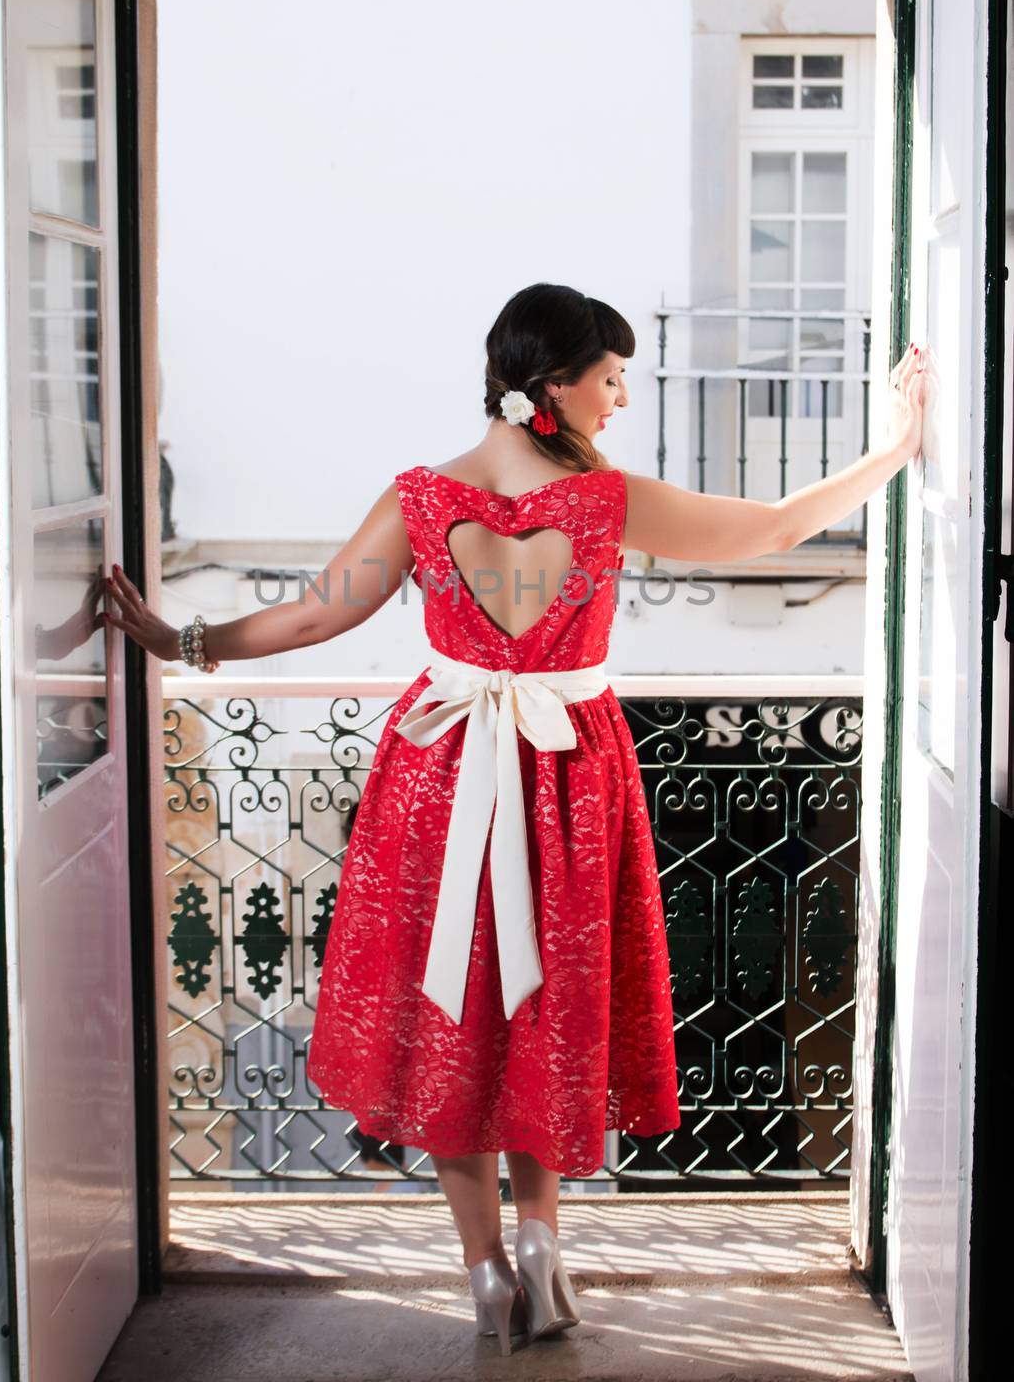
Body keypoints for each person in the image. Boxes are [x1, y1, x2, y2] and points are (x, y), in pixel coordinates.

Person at [101, 283, 927, 1356]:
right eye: (610, 376)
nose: (620, 397)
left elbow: (314, 612)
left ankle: (484, 1268)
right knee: (541, 1006)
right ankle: (543, 1246)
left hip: (439, 776)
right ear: (554, 383)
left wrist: (179, 642)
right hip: (566, 774)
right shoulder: (609, 501)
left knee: (454, 1017)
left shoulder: (417, 496)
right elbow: (773, 526)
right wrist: (897, 446)